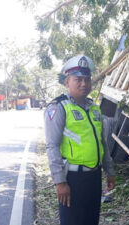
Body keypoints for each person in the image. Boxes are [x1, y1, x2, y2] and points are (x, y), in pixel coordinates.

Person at [44, 54, 115, 225]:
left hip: (94, 177)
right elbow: (52, 146)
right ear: (67, 82)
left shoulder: (95, 109)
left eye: (87, 79)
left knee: (91, 220)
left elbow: (102, 143)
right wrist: (60, 182)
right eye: (78, 80)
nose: (84, 84)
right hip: (72, 180)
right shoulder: (58, 107)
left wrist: (110, 171)